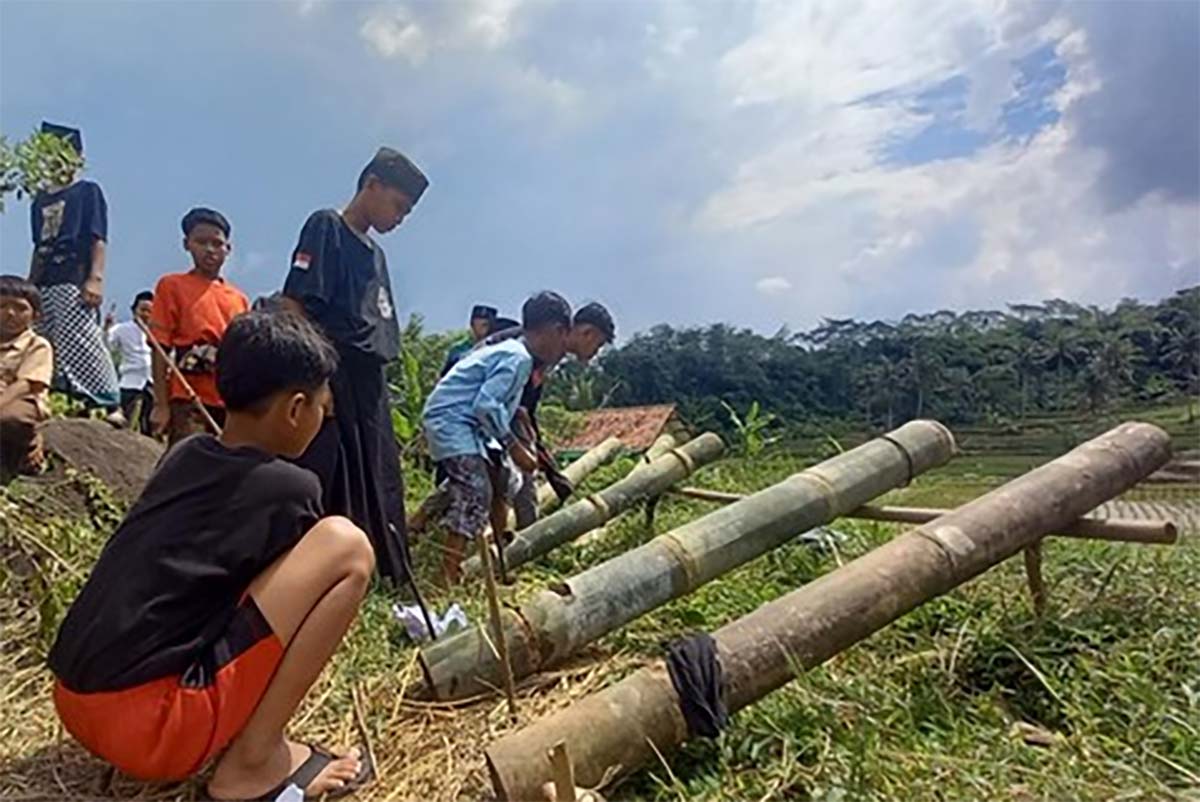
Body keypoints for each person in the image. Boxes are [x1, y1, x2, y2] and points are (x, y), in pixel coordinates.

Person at [48, 311, 375, 801]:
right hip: (149, 727)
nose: (322, 420)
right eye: (322, 410)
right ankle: (254, 764)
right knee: (346, 548)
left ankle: (244, 742)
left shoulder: (185, 454)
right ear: (295, 409)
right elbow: (282, 610)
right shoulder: (291, 488)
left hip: (72, 700)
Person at [280, 147, 428, 584]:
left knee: (379, 475)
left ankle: (381, 574)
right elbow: (294, 306)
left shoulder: (376, 256)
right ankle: (319, 573)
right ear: (372, 185)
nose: (400, 218)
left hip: (370, 382)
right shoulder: (327, 227)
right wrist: (315, 382)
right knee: (328, 473)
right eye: (398, 206)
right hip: (332, 372)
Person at [420, 291, 572, 584]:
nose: (563, 347)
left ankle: (499, 562)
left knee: (500, 478)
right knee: (476, 491)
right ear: (555, 331)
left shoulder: (517, 354)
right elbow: (486, 405)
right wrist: (513, 446)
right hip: (453, 421)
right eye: (564, 336)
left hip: (467, 424)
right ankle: (447, 576)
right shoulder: (518, 359)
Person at [27, 122, 123, 425]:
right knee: (45, 337)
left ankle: (107, 401)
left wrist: (95, 277)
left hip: (74, 274)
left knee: (79, 336)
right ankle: (57, 397)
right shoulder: (40, 199)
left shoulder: (86, 192)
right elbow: (38, 244)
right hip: (45, 276)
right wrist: (29, 286)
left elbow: (97, 237)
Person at [148, 208, 249, 446]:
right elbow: (159, 348)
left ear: (228, 249)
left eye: (217, 243)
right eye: (201, 242)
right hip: (187, 395)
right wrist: (161, 405)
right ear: (187, 244)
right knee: (190, 463)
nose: (210, 250)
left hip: (228, 400)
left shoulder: (239, 299)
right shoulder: (172, 286)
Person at [0, 275, 52, 480]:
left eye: (20, 308)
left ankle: (30, 443)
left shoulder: (37, 345)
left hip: (20, 401)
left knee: (11, 418)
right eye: (2, 306)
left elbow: (26, 384)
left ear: (35, 316)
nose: (10, 313)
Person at [105, 290, 154, 435]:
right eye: (143, 310)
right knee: (126, 419)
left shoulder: (157, 330)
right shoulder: (122, 329)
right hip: (130, 380)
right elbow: (107, 346)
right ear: (134, 310)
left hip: (151, 381)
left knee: (148, 423)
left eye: (150, 311)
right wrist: (107, 327)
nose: (146, 314)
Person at [439, 304, 497, 377]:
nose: (479, 329)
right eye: (476, 324)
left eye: (484, 325)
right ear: (472, 325)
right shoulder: (459, 349)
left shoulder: (497, 349)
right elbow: (444, 377)